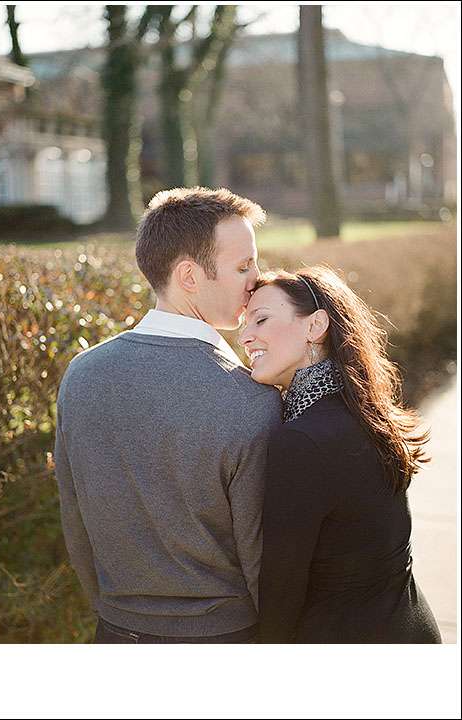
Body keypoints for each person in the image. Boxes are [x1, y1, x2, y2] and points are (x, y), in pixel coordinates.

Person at [55, 187, 282, 643]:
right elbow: (260, 557)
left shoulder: (80, 375)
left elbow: (73, 517)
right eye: (243, 267)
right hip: (225, 643)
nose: (257, 280)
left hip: (116, 632)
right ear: (190, 277)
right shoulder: (253, 400)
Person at [238, 267, 442, 643]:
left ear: (315, 326)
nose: (245, 336)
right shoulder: (364, 414)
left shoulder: (303, 441)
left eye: (261, 319)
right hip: (410, 630)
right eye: (244, 324)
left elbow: (281, 588)